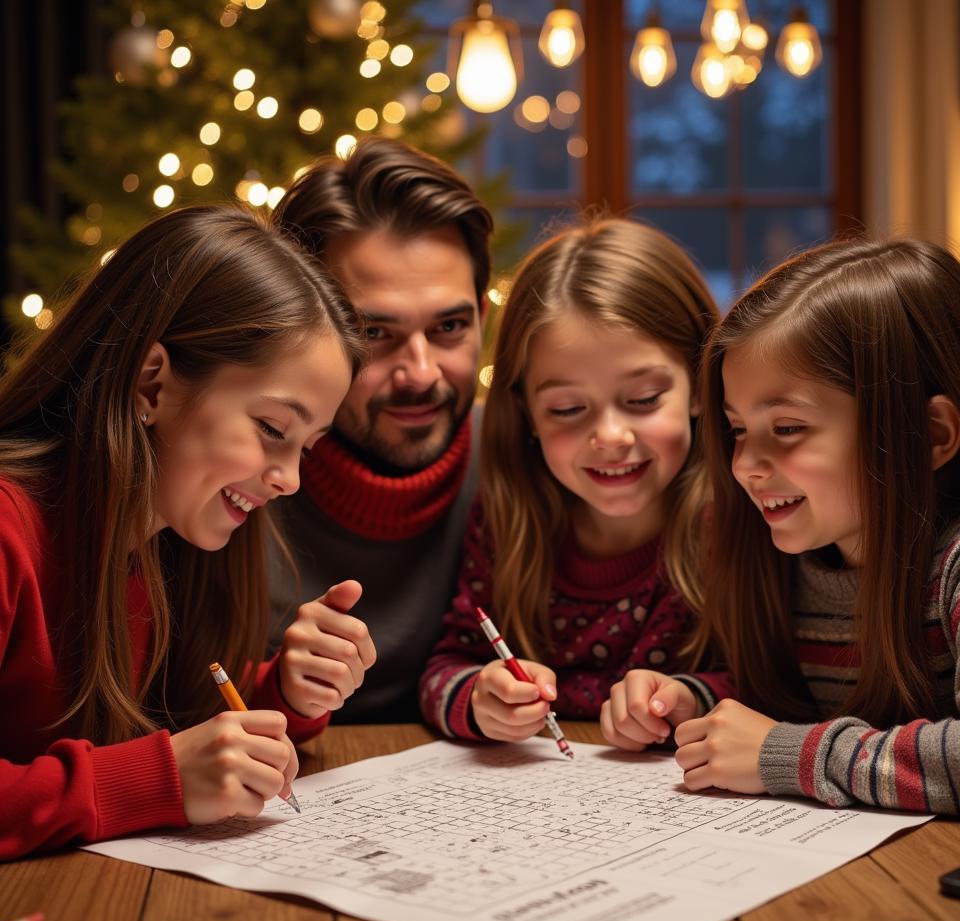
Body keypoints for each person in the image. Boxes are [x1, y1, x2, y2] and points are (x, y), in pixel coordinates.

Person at [0, 204, 377, 860]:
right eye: (270, 429)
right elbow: (153, 761)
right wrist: (157, 781)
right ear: (152, 383)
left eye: (307, 447)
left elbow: (173, 717)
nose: (288, 478)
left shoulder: (154, 544)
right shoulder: (10, 531)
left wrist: (283, 689)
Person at [608, 237, 960, 819]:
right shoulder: (799, 558)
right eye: (736, 430)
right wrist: (692, 703)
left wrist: (788, 755)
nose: (745, 465)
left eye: (786, 428)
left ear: (930, 435)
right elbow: (793, 704)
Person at [421, 217, 732, 742]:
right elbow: (445, 666)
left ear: (701, 384)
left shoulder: (732, 524)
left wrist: (689, 698)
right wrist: (479, 695)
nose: (610, 436)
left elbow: (784, 686)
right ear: (527, 415)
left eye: (642, 400)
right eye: (567, 409)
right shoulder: (509, 521)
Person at [269, 137, 493, 722]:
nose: (420, 373)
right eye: (374, 333)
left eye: (449, 327)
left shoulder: (534, 460)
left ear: (483, 318)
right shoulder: (232, 481)